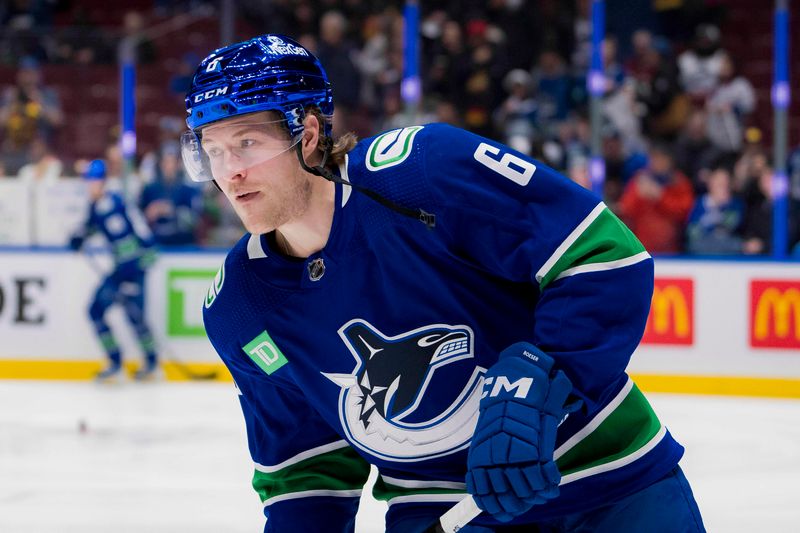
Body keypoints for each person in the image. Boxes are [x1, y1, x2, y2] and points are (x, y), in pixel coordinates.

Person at [183, 35, 705, 532]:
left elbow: (602, 259)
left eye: (247, 143)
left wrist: (541, 378)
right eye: (213, 149)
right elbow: (303, 468)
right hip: (443, 513)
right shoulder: (240, 307)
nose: (229, 172)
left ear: (310, 134)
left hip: (610, 483)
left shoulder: (420, 175)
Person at [69, 159, 159, 381]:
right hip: (120, 270)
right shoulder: (95, 206)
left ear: (103, 182)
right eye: (88, 182)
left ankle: (151, 363)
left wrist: (135, 272)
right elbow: (87, 229)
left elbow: (141, 235)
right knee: (95, 310)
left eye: (94, 182)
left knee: (134, 315)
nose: (91, 186)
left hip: (134, 269)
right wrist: (78, 238)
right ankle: (115, 361)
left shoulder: (118, 203)